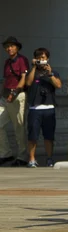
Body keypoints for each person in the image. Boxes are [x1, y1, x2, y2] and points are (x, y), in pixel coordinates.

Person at [25, 48, 61, 168]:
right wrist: (34, 67)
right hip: (35, 109)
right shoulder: (32, 71)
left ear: (48, 59)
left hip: (49, 108)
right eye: (39, 58)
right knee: (32, 136)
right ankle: (32, 159)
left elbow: (58, 85)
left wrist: (50, 74)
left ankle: (49, 159)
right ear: (35, 59)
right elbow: (28, 83)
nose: (42, 60)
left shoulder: (53, 72)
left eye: (44, 58)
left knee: (49, 136)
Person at [0, 36, 29, 167]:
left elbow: (23, 78)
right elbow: (5, 80)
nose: (9, 48)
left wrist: (14, 93)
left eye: (11, 46)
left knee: (19, 127)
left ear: (17, 47)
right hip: (5, 97)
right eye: (7, 46)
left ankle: (22, 156)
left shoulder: (22, 60)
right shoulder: (7, 62)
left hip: (17, 96)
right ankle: (6, 153)